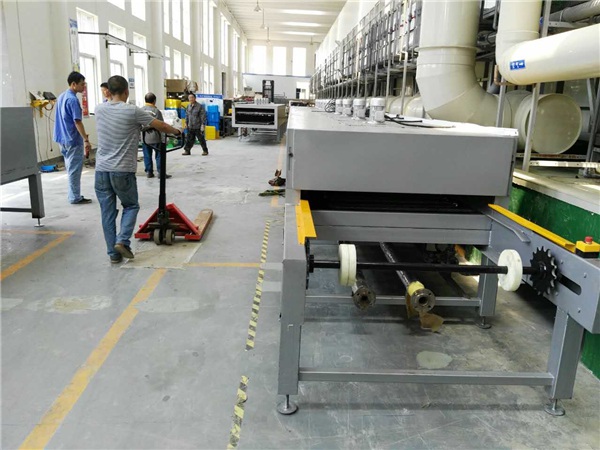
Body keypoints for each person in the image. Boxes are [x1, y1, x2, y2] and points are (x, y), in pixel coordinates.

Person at [94, 75, 182, 264]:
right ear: (126, 91)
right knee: (131, 205)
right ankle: (122, 241)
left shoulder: (99, 109)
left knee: (107, 213)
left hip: (101, 170)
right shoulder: (132, 111)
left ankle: (113, 254)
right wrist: (177, 131)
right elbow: (161, 125)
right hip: (122, 170)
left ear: (108, 91)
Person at [53, 71, 93, 204]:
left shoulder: (62, 96)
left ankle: (72, 195)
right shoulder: (72, 100)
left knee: (70, 168)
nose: (84, 87)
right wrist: (86, 140)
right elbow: (77, 122)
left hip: (61, 138)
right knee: (74, 170)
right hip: (72, 139)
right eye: (82, 84)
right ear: (74, 84)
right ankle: (75, 197)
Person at [141, 92, 171, 179]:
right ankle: (161, 173)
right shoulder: (156, 111)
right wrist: (164, 138)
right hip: (155, 137)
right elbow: (161, 125)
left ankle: (149, 172)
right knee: (159, 155)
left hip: (144, 138)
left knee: (147, 155)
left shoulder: (140, 110)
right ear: (154, 101)